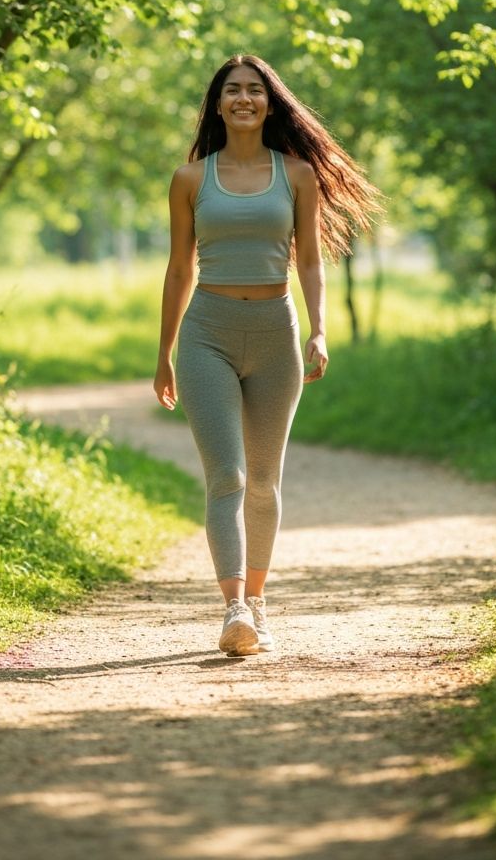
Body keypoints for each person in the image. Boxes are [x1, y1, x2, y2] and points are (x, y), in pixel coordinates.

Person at [154, 54, 380, 656]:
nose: (245, 99)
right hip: (208, 332)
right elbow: (180, 267)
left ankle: (257, 600)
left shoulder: (297, 174)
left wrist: (319, 329)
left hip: (277, 333)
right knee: (226, 475)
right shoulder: (191, 179)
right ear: (218, 104)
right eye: (233, 90)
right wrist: (165, 351)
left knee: (264, 481)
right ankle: (233, 610)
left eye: (255, 90)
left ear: (270, 102)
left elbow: (309, 259)